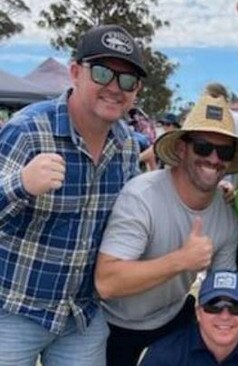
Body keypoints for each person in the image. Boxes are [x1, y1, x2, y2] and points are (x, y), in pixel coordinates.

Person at [0, 24, 145, 365]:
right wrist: (22, 183)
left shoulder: (126, 145)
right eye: (102, 72)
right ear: (76, 72)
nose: (114, 87)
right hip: (12, 309)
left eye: (127, 80)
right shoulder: (28, 130)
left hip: (80, 315)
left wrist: (214, 193)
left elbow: (139, 210)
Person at [94, 85, 238, 366]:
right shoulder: (142, 196)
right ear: (183, 149)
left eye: (224, 151)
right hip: (113, 325)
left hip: (173, 320)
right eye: (203, 147)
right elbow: (107, 282)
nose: (214, 158)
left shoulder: (226, 213)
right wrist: (181, 260)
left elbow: (222, 284)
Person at [139, 270, 238, 366]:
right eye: (214, 306)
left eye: (236, 308)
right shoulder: (165, 357)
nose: (225, 316)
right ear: (198, 312)